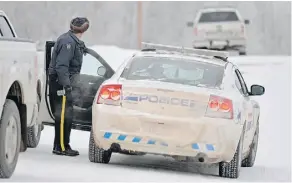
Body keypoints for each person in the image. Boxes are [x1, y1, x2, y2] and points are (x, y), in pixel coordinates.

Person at [48, 17, 90, 156]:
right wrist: (66, 85)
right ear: (83, 29)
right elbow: (61, 67)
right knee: (63, 116)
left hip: (66, 82)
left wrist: (81, 47)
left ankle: (64, 144)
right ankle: (61, 147)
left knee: (68, 115)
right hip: (61, 83)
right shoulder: (68, 42)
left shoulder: (72, 41)